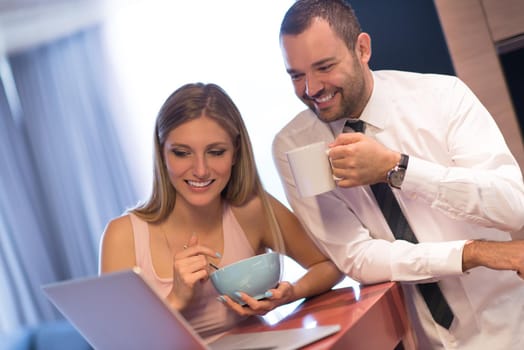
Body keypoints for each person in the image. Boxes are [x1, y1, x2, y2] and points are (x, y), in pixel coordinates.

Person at [272, 1, 524, 349]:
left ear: (362, 48)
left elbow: (512, 207)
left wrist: (399, 169)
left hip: (512, 327)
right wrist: (472, 252)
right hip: (425, 340)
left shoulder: (442, 96)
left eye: (324, 67)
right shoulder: (293, 147)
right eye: (296, 75)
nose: (311, 88)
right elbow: (357, 257)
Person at [98, 82, 342, 340]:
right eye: (182, 153)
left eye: (216, 152)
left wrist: (290, 293)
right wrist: (176, 299)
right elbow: (115, 342)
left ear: (236, 152)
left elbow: (330, 264)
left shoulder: (252, 209)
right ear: (162, 154)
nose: (201, 170)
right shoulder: (122, 236)